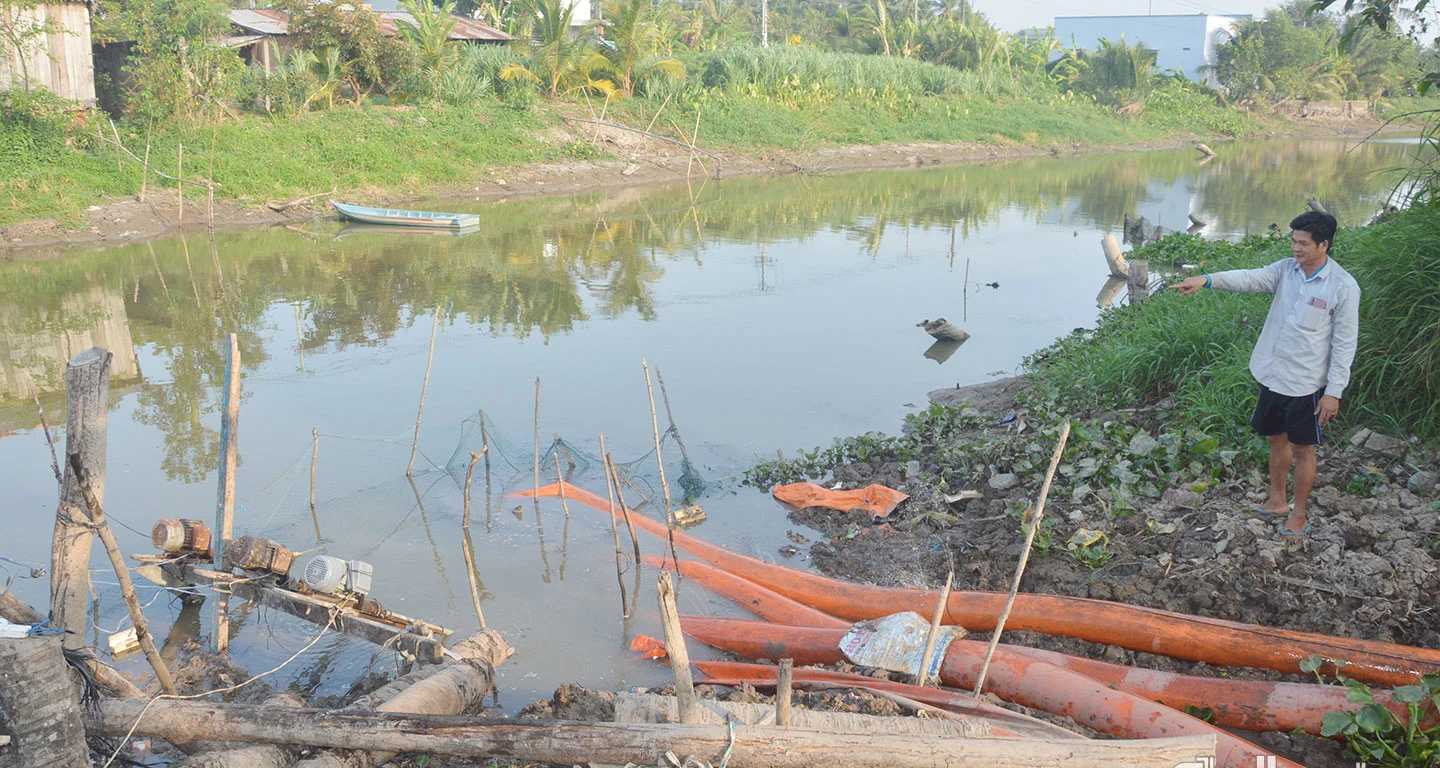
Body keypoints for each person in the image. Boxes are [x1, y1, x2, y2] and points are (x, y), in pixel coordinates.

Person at [1170, 211, 1360, 536]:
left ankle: (1298, 514)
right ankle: (1277, 501)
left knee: (1303, 449)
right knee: (1276, 438)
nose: (1295, 248)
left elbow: (1345, 343)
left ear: (1324, 245)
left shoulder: (1342, 287)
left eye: (1303, 243)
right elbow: (1249, 277)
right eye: (1293, 241)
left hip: (1306, 384)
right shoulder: (1287, 271)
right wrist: (1206, 279)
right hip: (1272, 375)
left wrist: (1334, 392)